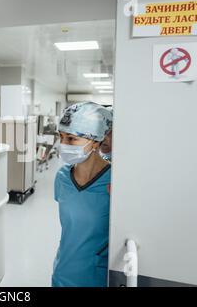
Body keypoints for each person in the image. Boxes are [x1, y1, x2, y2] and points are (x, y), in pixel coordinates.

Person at [52, 102, 113, 287]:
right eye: (60, 136)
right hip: (62, 271)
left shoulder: (114, 182)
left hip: (96, 277)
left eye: (71, 139)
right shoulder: (62, 177)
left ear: (95, 140)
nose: (63, 144)